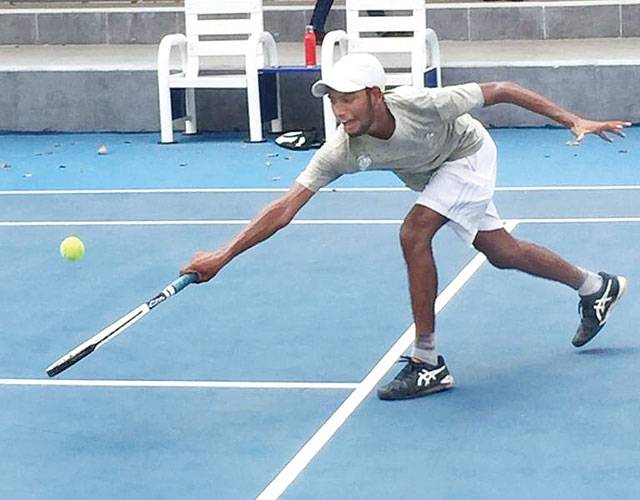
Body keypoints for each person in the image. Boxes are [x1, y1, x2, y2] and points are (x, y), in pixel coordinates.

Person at [181, 53, 630, 401]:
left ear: (376, 94)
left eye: (349, 98)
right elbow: (284, 209)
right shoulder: (341, 150)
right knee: (502, 252)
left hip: (467, 154)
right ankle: (595, 286)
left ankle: (427, 360)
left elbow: (503, 88)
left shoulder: (421, 103)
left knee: (413, 233)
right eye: (333, 100)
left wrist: (573, 120)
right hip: (438, 176)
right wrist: (223, 255)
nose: (339, 110)